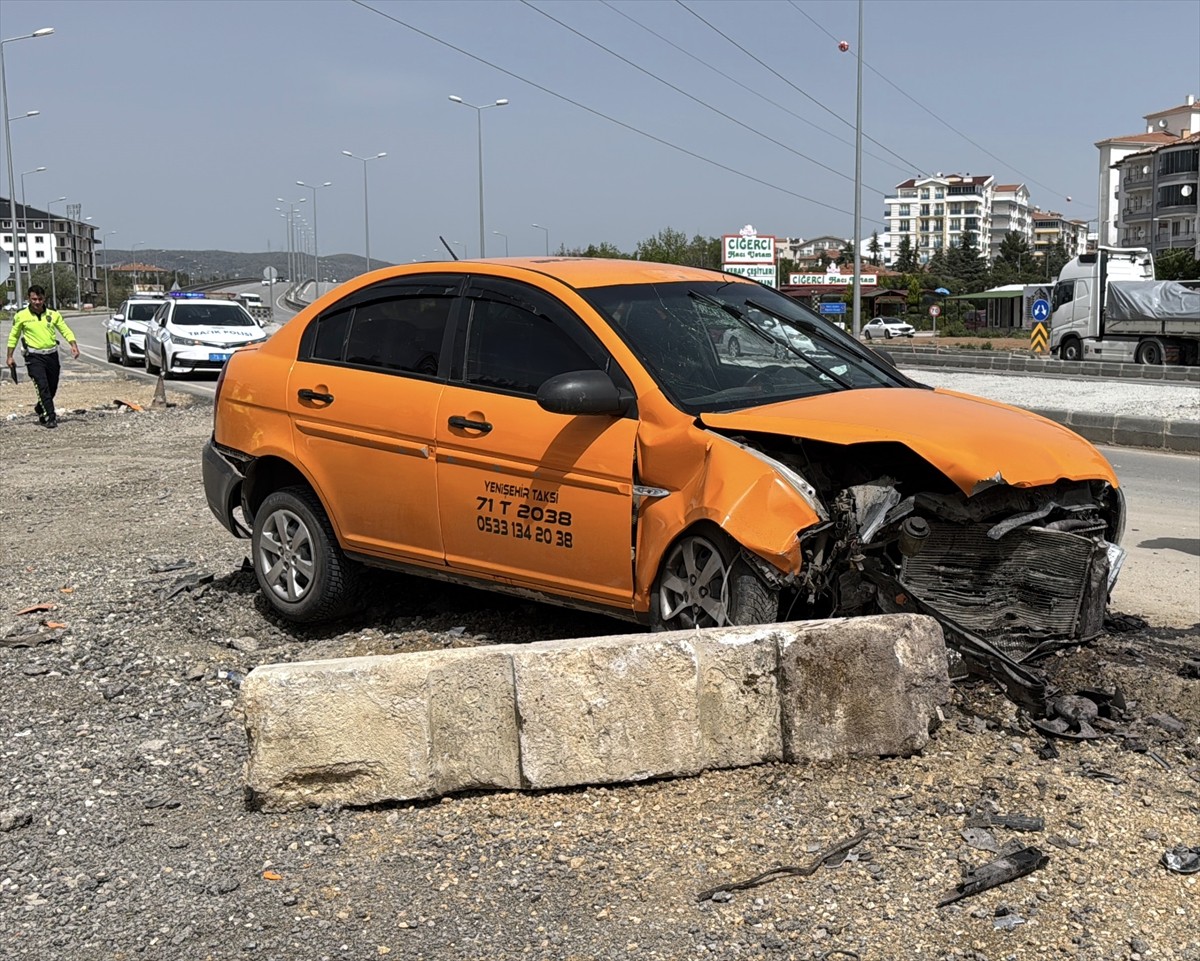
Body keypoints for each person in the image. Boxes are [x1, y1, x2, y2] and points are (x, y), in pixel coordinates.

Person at [5, 285, 80, 429]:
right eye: (34, 299)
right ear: (29, 299)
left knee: (52, 386)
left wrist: (73, 345)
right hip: (33, 357)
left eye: (40, 299)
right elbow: (13, 337)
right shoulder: (21, 316)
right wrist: (9, 356)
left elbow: (65, 330)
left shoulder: (53, 314)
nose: (37, 302)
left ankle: (40, 408)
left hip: (51, 355)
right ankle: (50, 416)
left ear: (44, 298)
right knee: (42, 386)